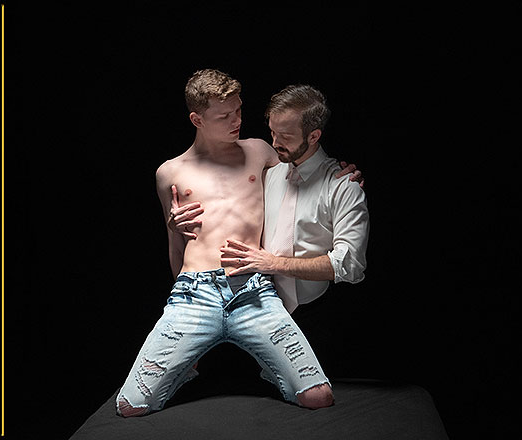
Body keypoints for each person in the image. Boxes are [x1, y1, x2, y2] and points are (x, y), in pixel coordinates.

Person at [115, 69, 337, 417]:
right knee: (131, 405)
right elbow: (175, 247)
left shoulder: (259, 151)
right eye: (224, 116)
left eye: (238, 110)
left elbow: (306, 171)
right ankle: (182, 364)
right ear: (197, 119)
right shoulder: (170, 172)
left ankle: (273, 363)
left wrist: (340, 175)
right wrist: (173, 233)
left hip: (254, 291)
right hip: (193, 294)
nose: (237, 120)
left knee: (318, 396)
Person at [220, 84, 369, 313]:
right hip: (256, 304)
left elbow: (350, 265)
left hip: (316, 311)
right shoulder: (267, 174)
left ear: (313, 136)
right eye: (272, 132)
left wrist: (275, 264)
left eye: (285, 136)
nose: (275, 143)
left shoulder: (343, 186)